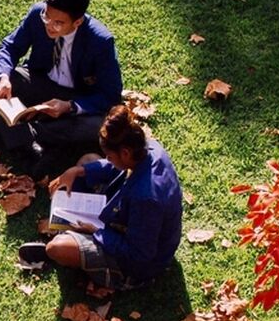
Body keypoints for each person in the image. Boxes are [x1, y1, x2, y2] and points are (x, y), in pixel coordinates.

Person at [19, 105, 182, 291]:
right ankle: (75, 236)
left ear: (125, 153)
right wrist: (78, 171)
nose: (108, 158)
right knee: (88, 161)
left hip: (138, 265)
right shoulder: (150, 148)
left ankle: (73, 244)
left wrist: (96, 230)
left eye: (110, 156)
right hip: (127, 218)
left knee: (56, 248)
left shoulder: (146, 199)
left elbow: (138, 255)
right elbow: (112, 167)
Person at [0, 0, 122, 174]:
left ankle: (26, 133)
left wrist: (70, 106)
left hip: (77, 98)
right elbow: (11, 46)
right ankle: (27, 143)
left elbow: (111, 95)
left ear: (77, 22)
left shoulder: (100, 41)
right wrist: (4, 77)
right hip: (41, 82)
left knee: (99, 125)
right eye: (47, 17)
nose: (49, 25)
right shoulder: (38, 14)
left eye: (58, 23)